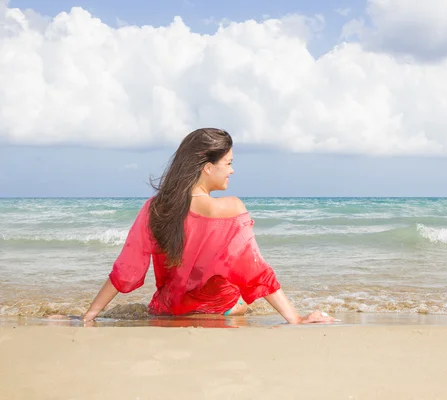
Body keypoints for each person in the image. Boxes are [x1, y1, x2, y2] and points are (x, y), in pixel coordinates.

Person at [82, 128, 335, 324]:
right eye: (228, 163)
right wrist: (296, 319)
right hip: (221, 309)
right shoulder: (231, 208)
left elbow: (127, 270)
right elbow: (256, 272)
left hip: (168, 309)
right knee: (239, 297)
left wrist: (89, 315)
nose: (232, 171)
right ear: (207, 167)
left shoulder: (155, 208)